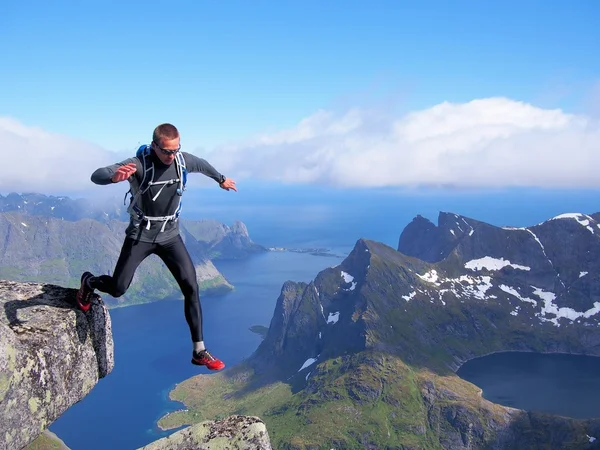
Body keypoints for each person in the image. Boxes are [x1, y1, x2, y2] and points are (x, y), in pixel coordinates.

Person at [75, 123, 237, 371]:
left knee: (191, 287)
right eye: (167, 151)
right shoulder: (139, 164)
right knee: (118, 289)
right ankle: (89, 282)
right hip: (141, 235)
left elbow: (202, 164)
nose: (172, 156)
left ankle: (199, 351)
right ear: (154, 146)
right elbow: (97, 174)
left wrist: (221, 179)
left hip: (170, 236)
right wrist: (113, 177)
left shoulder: (181, 161)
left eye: (176, 150)